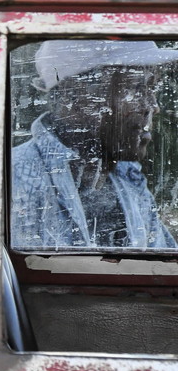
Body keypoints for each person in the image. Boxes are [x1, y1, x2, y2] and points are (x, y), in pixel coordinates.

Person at [11, 39, 178, 250]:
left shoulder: (129, 182)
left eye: (151, 89)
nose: (152, 107)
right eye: (137, 89)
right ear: (79, 96)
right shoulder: (15, 180)